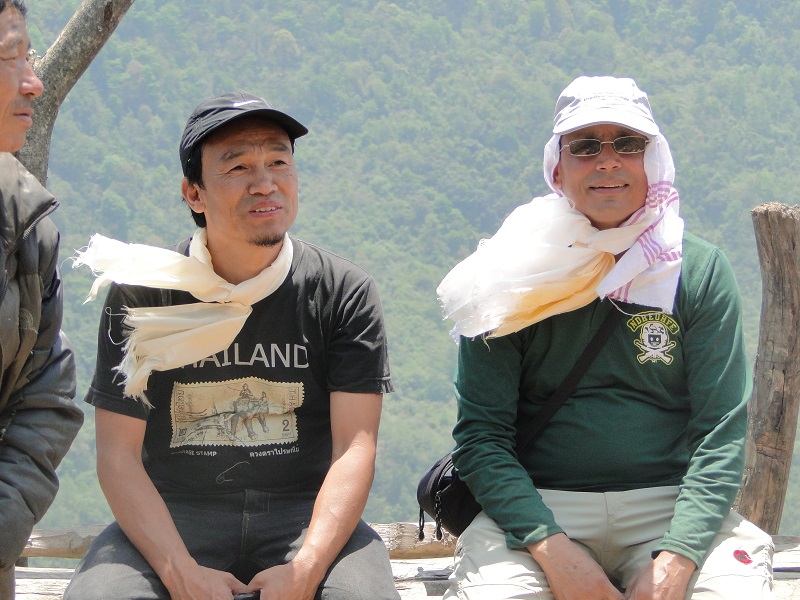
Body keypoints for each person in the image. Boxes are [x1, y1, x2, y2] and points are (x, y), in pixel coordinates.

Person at [436, 76, 773, 600]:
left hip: (671, 507)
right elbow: (482, 437)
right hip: (538, 506)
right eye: (586, 145)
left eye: (628, 143)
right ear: (558, 166)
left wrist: (679, 557)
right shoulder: (508, 278)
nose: (608, 161)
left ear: (652, 160)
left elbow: (720, 434)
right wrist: (551, 548)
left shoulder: (694, 271)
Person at [64, 91, 399, 600]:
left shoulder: (341, 291)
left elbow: (355, 446)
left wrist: (307, 568)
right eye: (238, 167)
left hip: (305, 514)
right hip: (175, 513)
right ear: (194, 194)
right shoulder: (146, 293)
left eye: (278, 162)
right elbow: (117, 455)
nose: (264, 183)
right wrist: (179, 571)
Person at [0, 0, 84, 597]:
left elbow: (45, 396)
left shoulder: (26, 225)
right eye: (10, 57)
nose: (34, 81)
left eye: (27, 54)